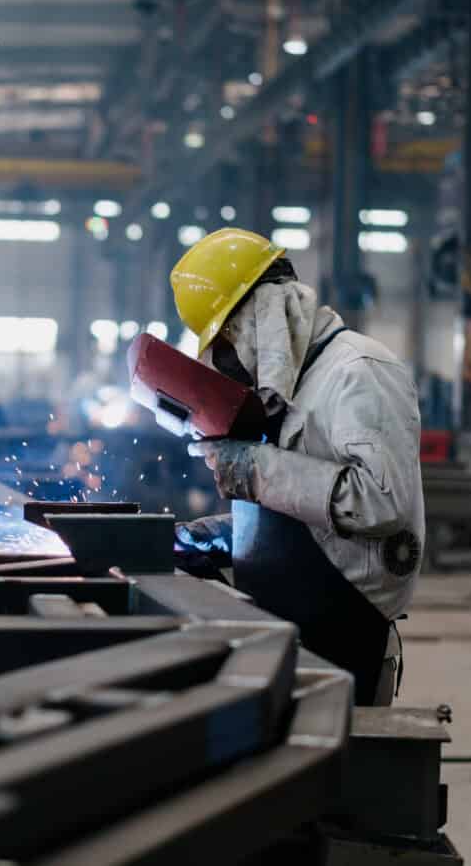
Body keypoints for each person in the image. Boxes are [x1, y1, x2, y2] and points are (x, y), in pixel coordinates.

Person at [171, 227, 424, 706]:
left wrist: (252, 469)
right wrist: (221, 534)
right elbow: (311, 515)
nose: (226, 355)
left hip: (347, 629)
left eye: (228, 335)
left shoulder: (358, 370)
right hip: (295, 616)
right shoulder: (300, 385)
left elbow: (379, 503)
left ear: (265, 313)